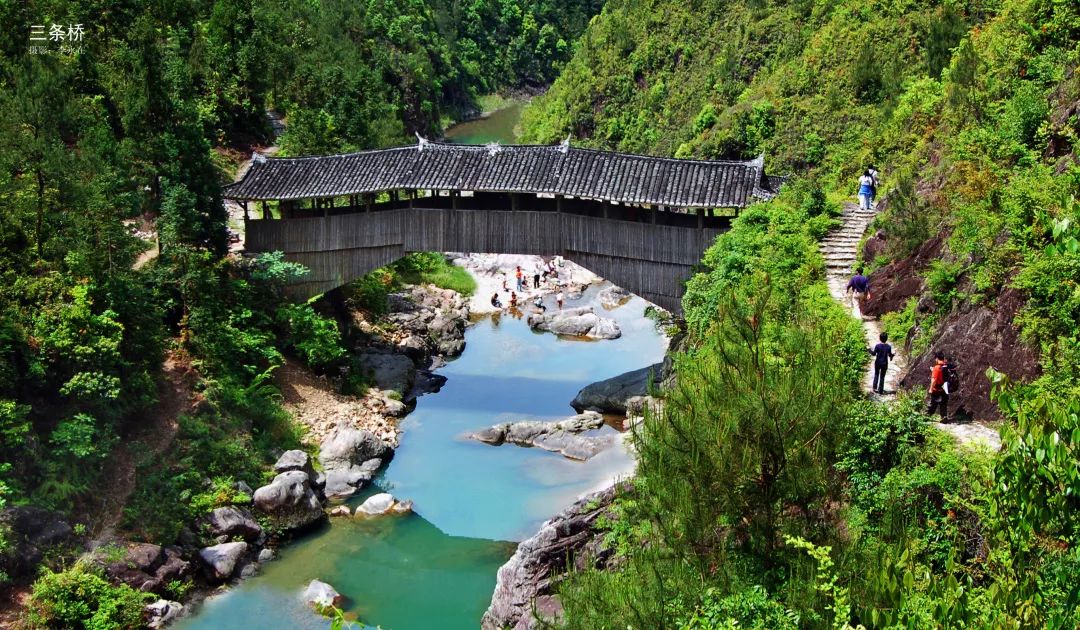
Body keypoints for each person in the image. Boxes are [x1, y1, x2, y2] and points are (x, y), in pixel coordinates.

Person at [927, 351, 949, 422]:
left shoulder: (937, 368)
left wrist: (930, 389)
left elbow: (934, 379)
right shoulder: (946, 366)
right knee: (943, 404)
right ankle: (944, 417)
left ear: (936, 358)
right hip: (945, 388)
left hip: (937, 389)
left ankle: (927, 416)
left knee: (933, 403)